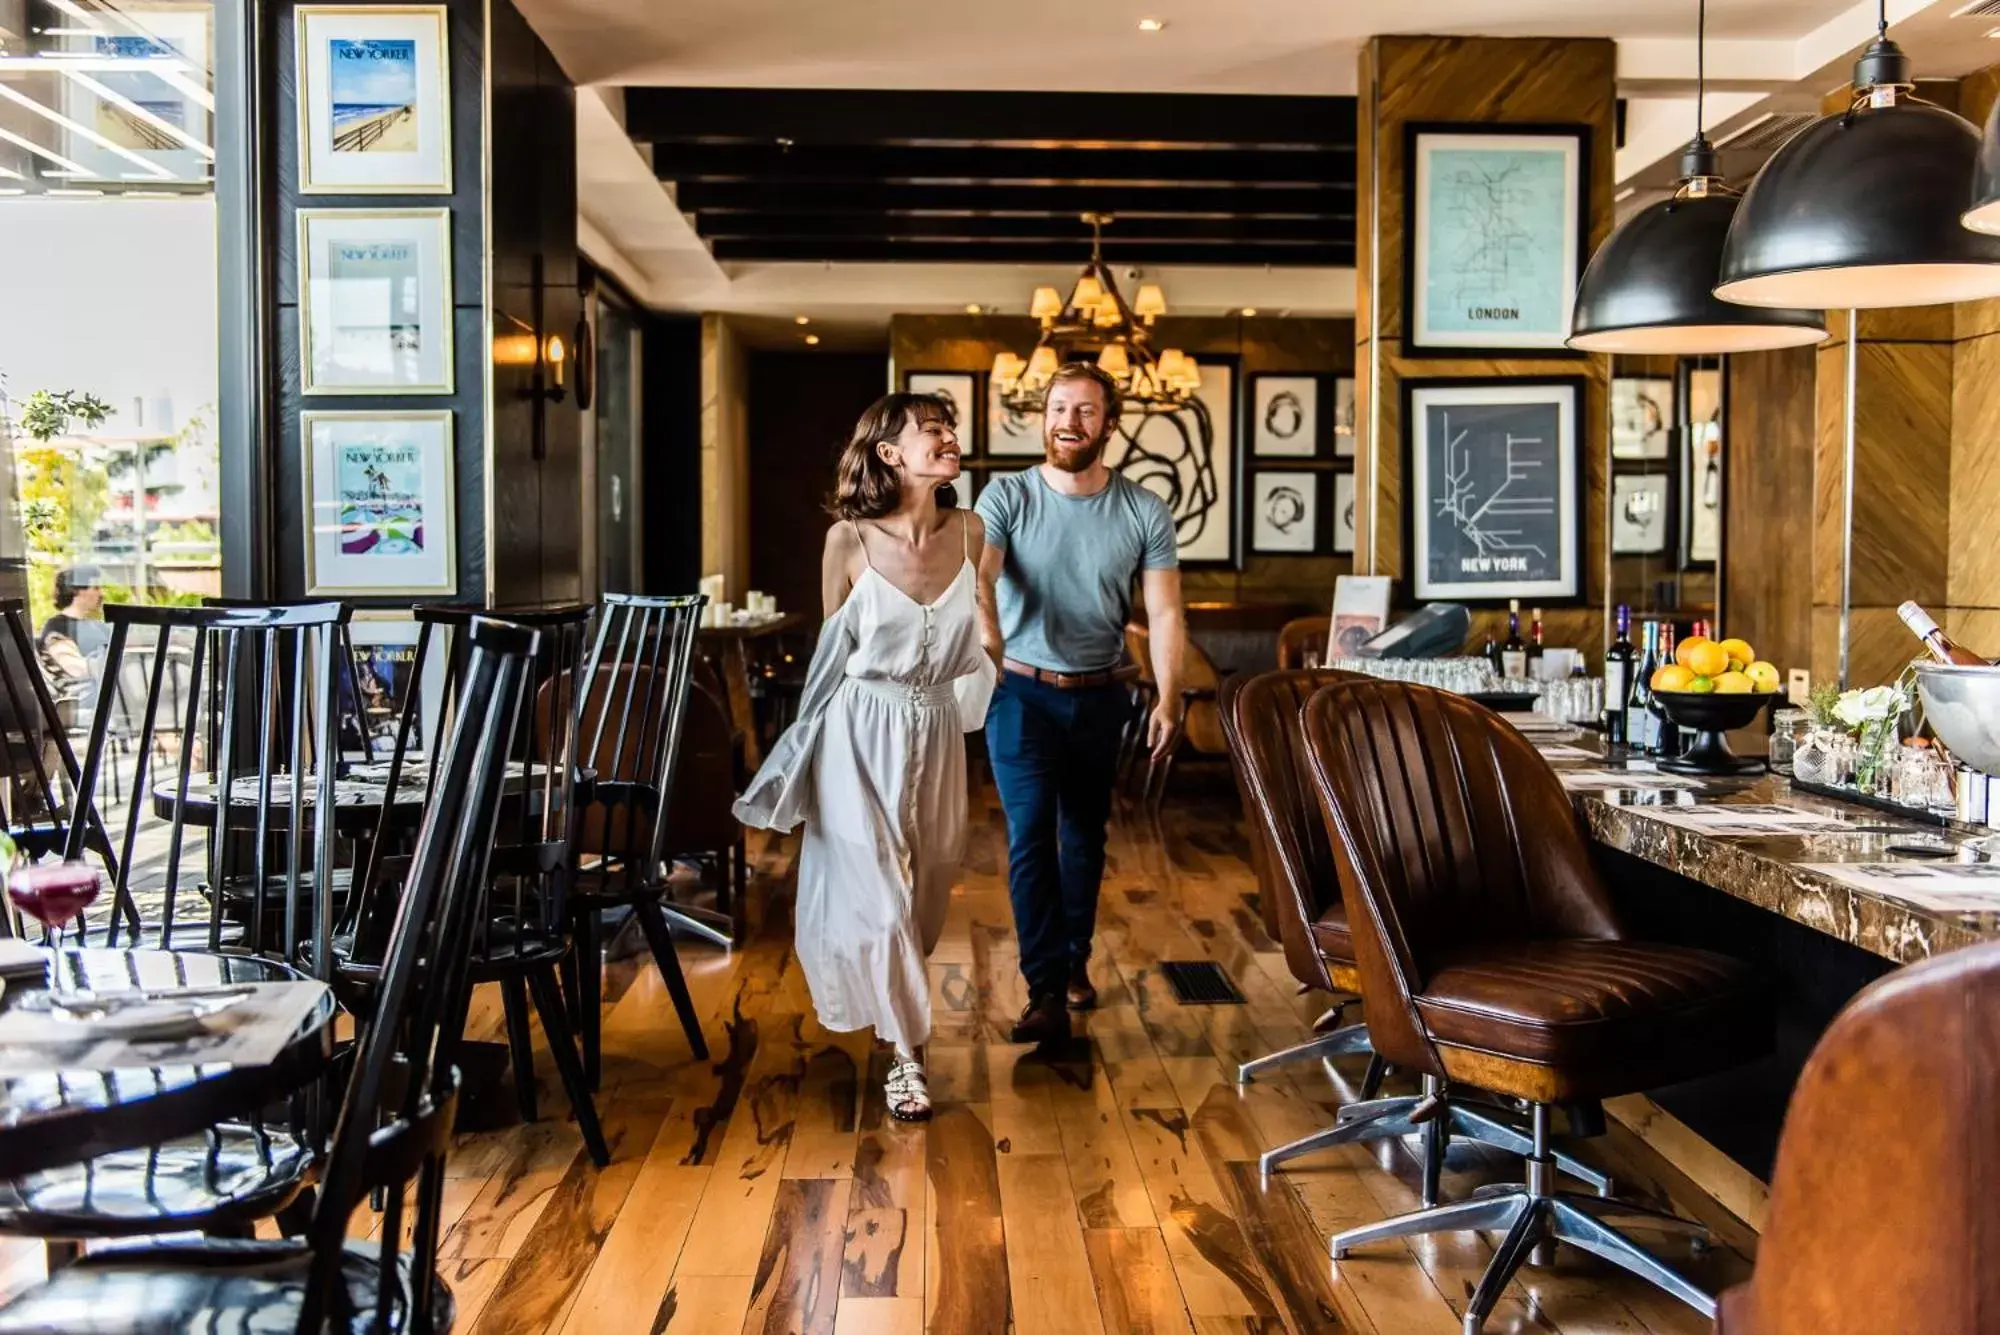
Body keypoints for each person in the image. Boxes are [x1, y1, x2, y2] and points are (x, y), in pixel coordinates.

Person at [734, 392, 997, 1122]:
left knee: (928, 886)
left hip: (940, 729)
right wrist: (802, 756)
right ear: (890, 452)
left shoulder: (972, 532)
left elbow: (986, 632)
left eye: (950, 427)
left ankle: (894, 1016)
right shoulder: (846, 542)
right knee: (880, 897)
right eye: (932, 429)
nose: (950, 437)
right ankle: (908, 1059)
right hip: (860, 729)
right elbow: (830, 654)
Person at [975, 362, 1186, 1049]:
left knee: (1084, 838)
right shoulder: (1005, 494)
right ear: (1043, 417)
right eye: (1060, 408)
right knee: (1029, 834)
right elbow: (981, 573)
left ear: (1110, 425)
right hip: (1021, 693)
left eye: (1086, 411)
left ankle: (1073, 958)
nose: (1070, 422)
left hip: (1102, 694)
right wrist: (990, 638)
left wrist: (1170, 695)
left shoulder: (1142, 509)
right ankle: (1044, 988)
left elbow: (1164, 607)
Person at [38, 564, 111, 710]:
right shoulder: (57, 627)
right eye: (95, 587)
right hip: (82, 699)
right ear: (77, 590)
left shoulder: (100, 627)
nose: (101, 593)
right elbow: (73, 667)